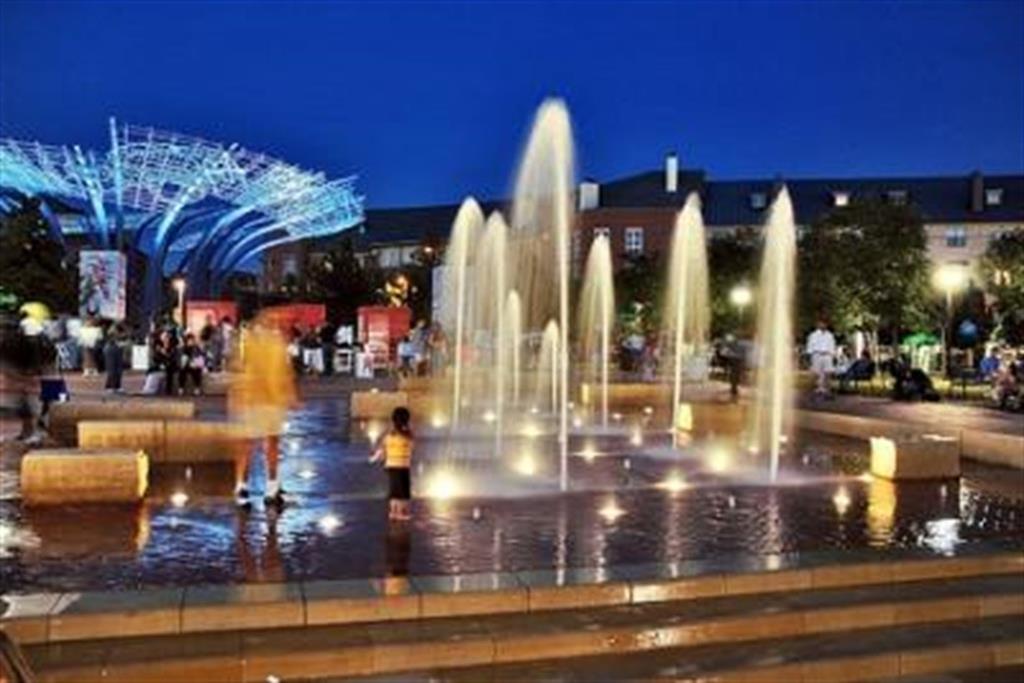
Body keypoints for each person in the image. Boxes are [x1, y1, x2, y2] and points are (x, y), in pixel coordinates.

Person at [229, 315, 298, 507]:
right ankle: (255, 486)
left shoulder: (263, 340)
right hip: (260, 398)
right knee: (258, 444)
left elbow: (282, 370)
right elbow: (281, 372)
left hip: (262, 399)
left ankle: (261, 486)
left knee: (260, 443)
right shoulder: (259, 340)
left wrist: (289, 394)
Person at [370, 406, 414, 521]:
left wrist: (374, 458)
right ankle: (402, 512)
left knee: (394, 489)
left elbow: (382, 451)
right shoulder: (408, 436)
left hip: (391, 466)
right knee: (403, 491)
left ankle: (393, 511)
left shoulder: (388, 436)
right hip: (404, 466)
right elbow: (412, 446)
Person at [805, 320, 836, 398]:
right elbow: (810, 345)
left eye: (824, 324)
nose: (823, 325)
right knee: (817, 373)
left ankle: (827, 390)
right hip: (817, 354)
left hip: (827, 354)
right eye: (821, 324)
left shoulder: (830, 335)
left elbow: (832, 345)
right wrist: (810, 355)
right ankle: (817, 389)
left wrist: (832, 354)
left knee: (827, 372)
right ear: (818, 325)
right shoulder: (813, 335)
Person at [103, 324, 126, 393]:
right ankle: (110, 386)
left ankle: (117, 386)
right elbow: (112, 338)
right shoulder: (112, 330)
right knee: (112, 368)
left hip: (117, 349)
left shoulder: (121, 328)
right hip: (111, 349)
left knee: (119, 369)